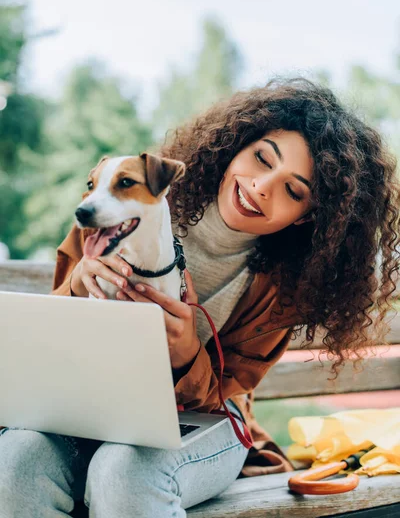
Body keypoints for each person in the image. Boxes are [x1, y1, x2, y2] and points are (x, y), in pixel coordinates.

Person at [0, 78, 399, 517]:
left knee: (127, 470)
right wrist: (78, 285)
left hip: (206, 420)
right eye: (261, 158)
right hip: (88, 403)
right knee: (16, 459)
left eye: (293, 190)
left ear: (309, 218)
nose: (263, 185)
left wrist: (188, 352)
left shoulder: (285, 288)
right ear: (237, 145)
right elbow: (49, 338)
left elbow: (229, 392)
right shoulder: (119, 205)